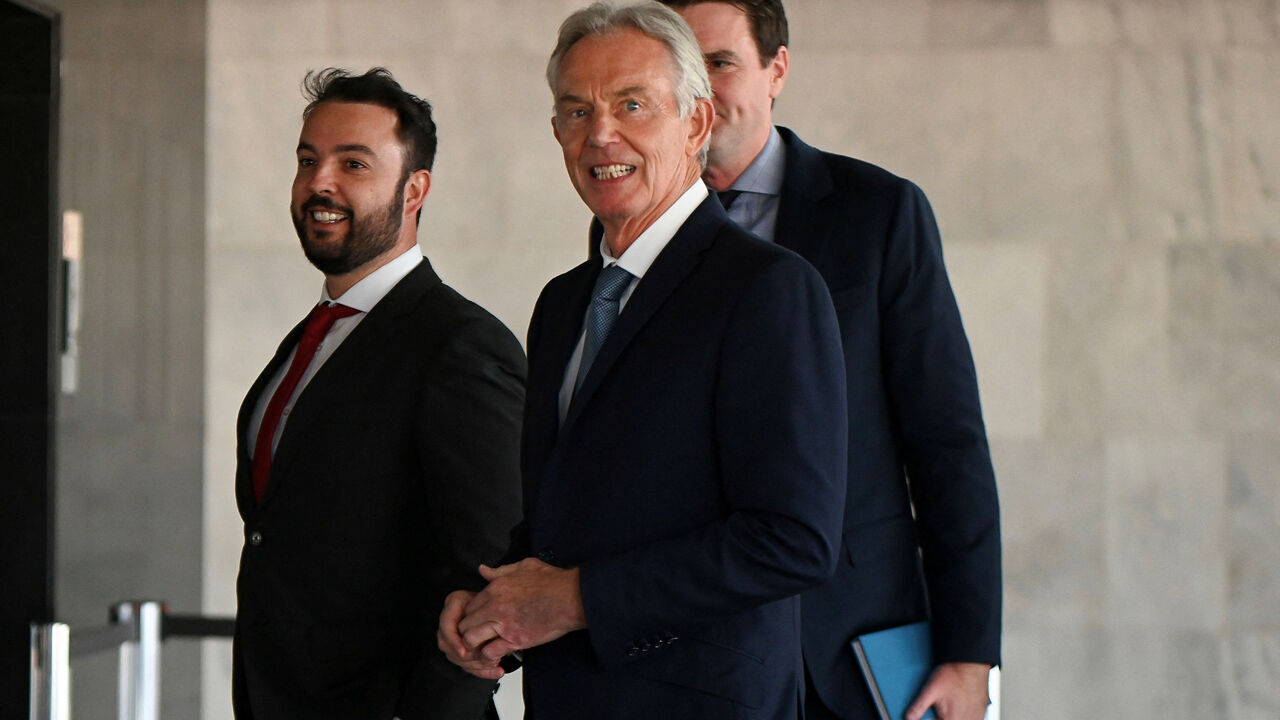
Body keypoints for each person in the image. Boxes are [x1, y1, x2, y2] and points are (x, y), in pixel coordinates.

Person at [437, 2, 848, 718]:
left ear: (695, 122)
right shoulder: (562, 304)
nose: (600, 135)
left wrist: (576, 598)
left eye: (632, 104)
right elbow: (564, 518)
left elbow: (793, 540)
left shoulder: (768, 289)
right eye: (574, 112)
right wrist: (489, 603)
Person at [648, 2, 1004, 719]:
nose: (698, 91)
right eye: (680, 70)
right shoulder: (632, 226)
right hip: (692, 651)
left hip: (848, 647)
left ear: (777, 68)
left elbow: (946, 442)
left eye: (719, 63)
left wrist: (970, 655)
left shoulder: (878, 213)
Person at [232, 67, 525, 719]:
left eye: (353, 163)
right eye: (308, 160)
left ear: (415, 189)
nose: (320, 183)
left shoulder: (460, 345)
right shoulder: (308, 342)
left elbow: (494, 576)